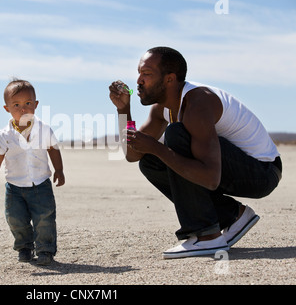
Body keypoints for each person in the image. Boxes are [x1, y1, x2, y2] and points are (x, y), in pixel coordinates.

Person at [109, 47, 282, 259]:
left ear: (170, 79)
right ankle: (233, 216)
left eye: (147, 74)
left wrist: (157, 147)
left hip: (262, 172)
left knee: (176, 135)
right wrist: (123, 111)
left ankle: (208, 237)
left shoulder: (198, 102)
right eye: (139, 73)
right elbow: (133, 155)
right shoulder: (161, 109)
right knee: (150, 162)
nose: (138, 80)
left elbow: (210, 179)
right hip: (235, 168)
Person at [0, 79, 65, 265]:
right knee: (15, 219)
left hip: (41, 183)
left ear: (36, 105)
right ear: (7, 108)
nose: (23, 109)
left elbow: (53, 149)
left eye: (28, 104)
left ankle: (45, 250)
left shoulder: (43, 129)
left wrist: (59, 170)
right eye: (16, 105)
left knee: (44, 217)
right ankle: (24, 247)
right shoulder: (4, 135)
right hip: (14, 187)